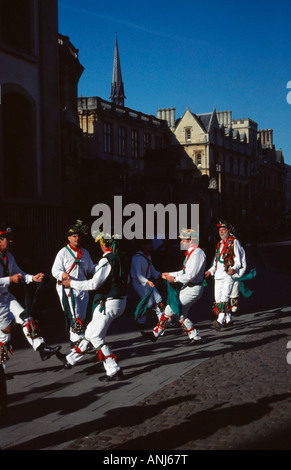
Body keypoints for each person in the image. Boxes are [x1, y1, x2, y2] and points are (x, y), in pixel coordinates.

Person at [59, 232, 128, 382]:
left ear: (104, 244)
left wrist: (72, 284)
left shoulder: (107, 259)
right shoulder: (121, 258)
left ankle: (114, 369)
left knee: (96, 336)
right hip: (118, 301)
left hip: (109, 302)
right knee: (90, 331)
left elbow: (93, 284)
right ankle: (70, 359)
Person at [0, 224, 61, 364]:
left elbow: (18, 272)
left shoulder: (8, 256)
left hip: (6, 296)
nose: (11, 241)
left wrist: (32, 278)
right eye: (7, 238)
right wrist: (9, 279)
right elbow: (12, 277)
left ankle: (41, 348)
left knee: (26, 317)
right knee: (5, 334)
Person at [141, 228, 206, 344]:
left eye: (183, 240)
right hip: (189, 287)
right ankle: (195, 336)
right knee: (180, 313)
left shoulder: (197, 253)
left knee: (171, 308)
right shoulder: (192, 253)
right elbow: (185, 271)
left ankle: (155, 334)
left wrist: (175, 279)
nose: (181, 242)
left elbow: (191, 275)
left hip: (193, 289)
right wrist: (170, 274)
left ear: (191, 240)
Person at [52, 220, 96, 345]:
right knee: (74, 313)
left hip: (82, 286)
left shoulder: (85, 252)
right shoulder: (63, 252)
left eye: (78, 236)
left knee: (81, 314)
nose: (77, 238)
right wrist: (63, 275)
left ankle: (75, 340)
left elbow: (90, 268)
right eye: (74, 236)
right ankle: (77, 340)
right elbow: (55, 270)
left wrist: (102, 267)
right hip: (67, 287)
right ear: (69, 238)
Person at [205, 221, 243, 330]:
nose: (221, 232)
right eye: (220, 230)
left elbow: (238, 261)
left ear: (229, 231)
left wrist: (234, 268)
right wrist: (210, 271)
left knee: (225, 297)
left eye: (224, 230)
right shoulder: (219, 244)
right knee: (217, 298)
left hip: (228, 274)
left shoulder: (234, 242)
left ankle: (220, 320)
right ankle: (229, 318)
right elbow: (216, 262)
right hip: (218, 275)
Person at [130, 239, 165, 326]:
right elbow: (138, 275)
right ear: (143, 246)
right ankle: (140, 320)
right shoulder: (137, 258)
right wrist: (147, 281)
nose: (150, 246)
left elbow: (152, 270)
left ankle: (164, 320)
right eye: (148, 244)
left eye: (150, 244)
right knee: (148, 303)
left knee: (159, 299)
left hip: (148, 281)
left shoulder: (147, 256)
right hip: (139, 283)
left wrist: (160, 275)